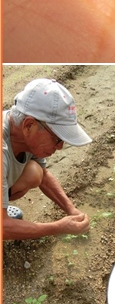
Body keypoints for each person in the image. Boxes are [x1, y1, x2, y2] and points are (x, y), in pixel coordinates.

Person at [3, 79, 92, 240]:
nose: (60, 147)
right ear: (29, 125)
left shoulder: (23, 135)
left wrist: (70, 209)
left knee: (34, 172)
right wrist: (58, 227)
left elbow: (43, 177)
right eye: (57, 138)